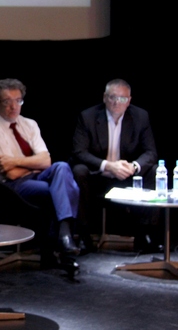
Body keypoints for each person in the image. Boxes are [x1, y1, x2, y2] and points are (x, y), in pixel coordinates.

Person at [0, 78, 81, 270]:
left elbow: (46, 161)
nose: (14, 106)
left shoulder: (29, 124)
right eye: (7, 101)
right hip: (8, 186)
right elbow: (11, 173)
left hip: (33, 176)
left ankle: (63, 236)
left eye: (18, 100)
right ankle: (63, 241)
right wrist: (34, 164)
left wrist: (15, 161)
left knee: (61, 167)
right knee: (64, 189)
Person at [71, 78, 160, 253]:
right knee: (78, 170)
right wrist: (109, 166)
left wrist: (133, 167)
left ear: (129, 101)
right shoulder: (88, 117)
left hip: (127, 175)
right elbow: (79, 152)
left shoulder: (140, 117)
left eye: (122, 98)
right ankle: (83, 235)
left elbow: (151, 152)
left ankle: (144, 234)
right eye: (112, 97)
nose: (116, 102)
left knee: (154, 170)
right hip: (98, 176)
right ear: (104, 97)